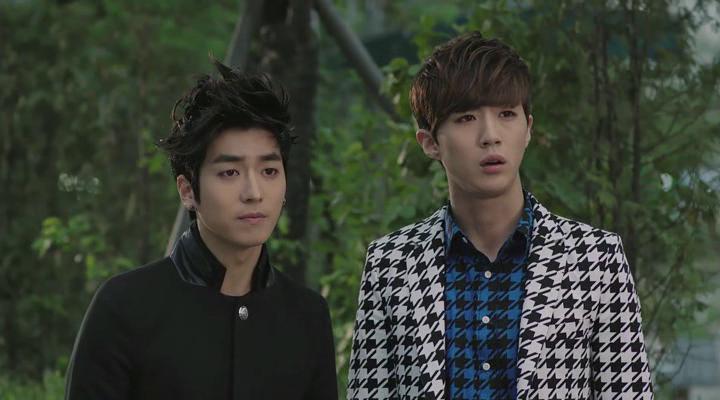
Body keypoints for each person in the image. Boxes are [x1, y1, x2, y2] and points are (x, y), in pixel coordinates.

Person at [347, 32, 653, 399]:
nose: (490, 135)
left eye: (507, 114)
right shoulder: (391, 264)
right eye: (466, 118)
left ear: (528, 129)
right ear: (430, 143)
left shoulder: (596, 259)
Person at [66, 60, 337, 400]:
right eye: (229, 173)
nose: (254, 193)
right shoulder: (125, 308)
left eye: (269, 171)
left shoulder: (307, 317)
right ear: (187, 190)